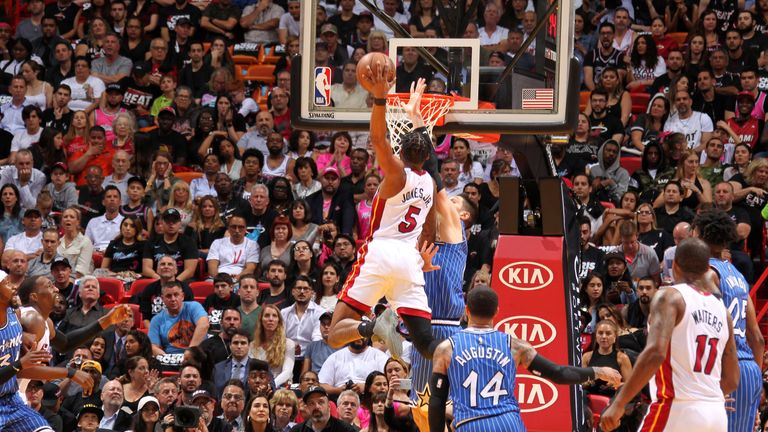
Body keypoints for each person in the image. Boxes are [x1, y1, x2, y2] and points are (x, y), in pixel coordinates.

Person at [330, 74, 441, 360]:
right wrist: (417, 118)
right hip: (409, 260)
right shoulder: (430, 181)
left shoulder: (395, 174)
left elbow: (378, 139)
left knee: (335, 333)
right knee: (427, 347)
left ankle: (371, 327)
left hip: (380, 252)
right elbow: (431, 227)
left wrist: (380, 97)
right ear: (428, 155)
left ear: (399, 151)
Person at [429, 285, 621, 432]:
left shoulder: (446, 348)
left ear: (467, 310)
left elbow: (437, 401)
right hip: (508, 423)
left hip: (471, 425)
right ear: (496, 311)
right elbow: (558, 373)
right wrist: (598, 371)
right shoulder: (515, 346)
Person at [600, 238, 740, 431]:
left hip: (677, 409)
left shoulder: (670, 296)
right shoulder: (722, 311)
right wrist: (704, 398)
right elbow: (732, 379)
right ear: (707, 268)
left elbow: (655, 352)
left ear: (674, 265)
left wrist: (619, 403)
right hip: (716, 413)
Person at [692, 209, 764, 432]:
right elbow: (758, 338)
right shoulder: (738, 275)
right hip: (750, 368)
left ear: (699, 234)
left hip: (724, 369)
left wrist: (721, 381)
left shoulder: (708, 273)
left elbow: (707, 330)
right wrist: (755, 384)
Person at [148, 281, 210, 355]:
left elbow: (204, 325)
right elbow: (153, 346)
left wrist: (190, 352)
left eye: (176, 295)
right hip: (171, 358)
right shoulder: (156, 320)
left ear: (182, 296)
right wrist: (166, 358)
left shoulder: (194, 307)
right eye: (168, 296)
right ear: (162, 298)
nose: (173, 299)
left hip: (197, 355)